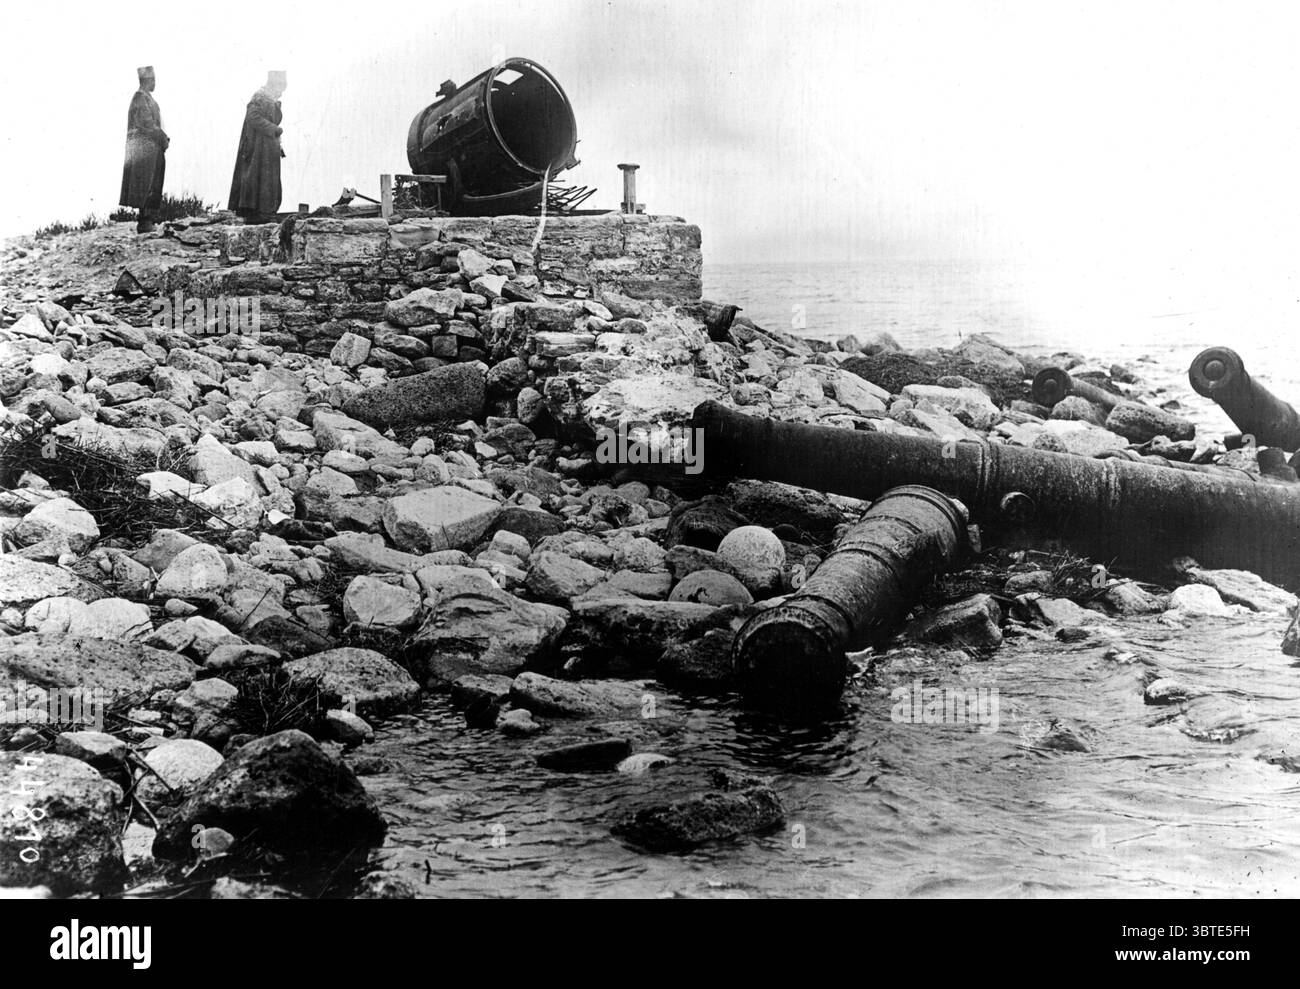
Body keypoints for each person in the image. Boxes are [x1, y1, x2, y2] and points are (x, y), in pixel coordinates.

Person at [229, 70, 287, 223]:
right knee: (257, 179)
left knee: (267, 180)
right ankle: (259, 212)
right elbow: (253, 117)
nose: (281, 93)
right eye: (280, 88)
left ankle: (265, 211)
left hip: (267, 148)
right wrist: (274, 129)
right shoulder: (260, 97)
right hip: (257, 149)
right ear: (274, 85)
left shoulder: (268, 99)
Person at [119, 66, 168, 234]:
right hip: (145, 152)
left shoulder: (147, 98)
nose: (155, 83)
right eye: (153, 80)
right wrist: (161, 136)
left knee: (153, 183)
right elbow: (147, 124)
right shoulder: (140, 98)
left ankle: (149, 218)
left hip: (152, 150)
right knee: (146, 184)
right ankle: (145, 221)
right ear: (148, 80)